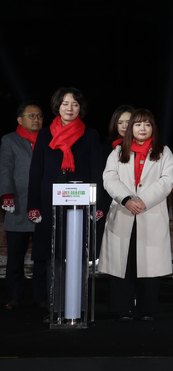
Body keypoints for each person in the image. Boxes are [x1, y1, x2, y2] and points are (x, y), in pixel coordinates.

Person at [27, 87, 104, 320]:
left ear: (81, 108)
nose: (70, 108)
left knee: (78, 255)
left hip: (79, 207)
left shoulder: (90, 135)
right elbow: (36, 171)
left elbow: (95, 171)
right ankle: (55, 308)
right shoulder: (44, 135)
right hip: (50, 204)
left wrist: (96, 203)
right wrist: (33, 205)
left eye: (75, 104)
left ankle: (76, 306)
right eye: (65, 104)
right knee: (53, 257)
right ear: (57, 107)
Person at [99, 109, 173, 321]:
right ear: (131, 128)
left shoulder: (163, 151)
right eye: (138, 124)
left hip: (149, 213)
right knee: (123, 262)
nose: (143, 129)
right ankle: (122, 308)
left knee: (148, 264)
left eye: (147, 124)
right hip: (123, 213)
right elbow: (109, 179)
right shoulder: (118, 151)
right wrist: (126, 199)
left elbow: (167, 180)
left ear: (153, 128)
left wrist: (143, 201)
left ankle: (147, 309)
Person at [1, 101, 44, 310]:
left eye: (39, 116)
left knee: (41, 258)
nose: (36, 119)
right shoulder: (9, 140)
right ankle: (15, 297)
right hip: (17, 205)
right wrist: (6, 194)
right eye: (31, 115)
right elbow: (5, 169)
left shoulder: (49, 140)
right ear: (20, 119)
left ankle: (40, 297)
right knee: (15, 257)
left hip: (42, 207)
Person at [97, 105, 134, 262]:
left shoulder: (147, 148)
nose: (125, 126)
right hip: (112, 203)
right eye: (120, 122)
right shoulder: (105, 149)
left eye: (129, 122)